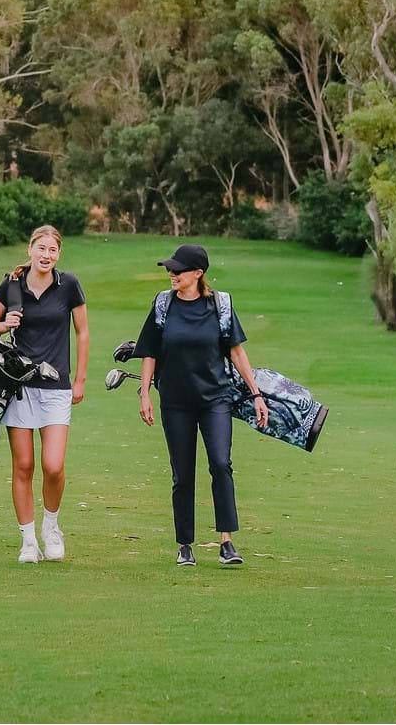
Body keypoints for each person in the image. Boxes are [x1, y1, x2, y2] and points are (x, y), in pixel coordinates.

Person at [133, 243, 270, 567]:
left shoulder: (220, 306)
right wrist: (144, 393)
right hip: (176, 402)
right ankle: (185, 545)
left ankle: (226, 542)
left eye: (178, 270)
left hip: (215, 399)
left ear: (197, 273)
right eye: (170, 269)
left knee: (221, 464)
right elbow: (149, 352)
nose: (172, 274)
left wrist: (256, 394)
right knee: (182, 474)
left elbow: (236, 352)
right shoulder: (163, 304)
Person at [0, 225, 89, 563]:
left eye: (52, 250)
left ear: (58, 254)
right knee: (24, 465)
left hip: (57, 386)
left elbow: (82, 332)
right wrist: (6, 323)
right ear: (30, 249)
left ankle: (51, 526)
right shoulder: (12, 284)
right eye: (41, 248)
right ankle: (28, 539)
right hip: (19, 387)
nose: (46, 255)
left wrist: (80, 379)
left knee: (53, 465)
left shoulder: (68, 285)